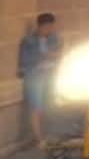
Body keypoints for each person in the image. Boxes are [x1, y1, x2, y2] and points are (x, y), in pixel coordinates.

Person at [17, 13, 61, 145]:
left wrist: (51, 56)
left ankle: (50, 135)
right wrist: (44, 57)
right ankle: (39, 138)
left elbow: (58, 53)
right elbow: (24, 62)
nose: (50, 29)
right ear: (41, 26)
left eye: (52, 27)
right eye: (48, 27)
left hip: (50, 74)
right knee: (36, 107)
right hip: (34, 76)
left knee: (50, 105)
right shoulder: (28, 41)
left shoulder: (54, 38)